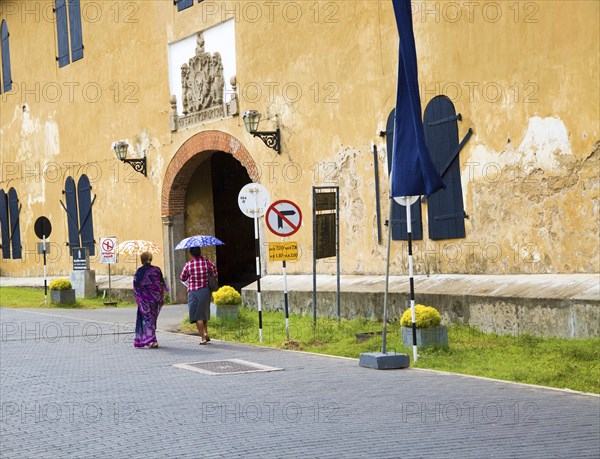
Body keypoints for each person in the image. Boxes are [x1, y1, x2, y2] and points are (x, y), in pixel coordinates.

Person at [180, 247, 217, 345]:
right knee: (203, 313)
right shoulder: (207, 262)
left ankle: (203, 338)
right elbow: (215, 273)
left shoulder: (188, 265)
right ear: (200, 252)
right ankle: (205, 332)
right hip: (205, 291)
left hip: (193, 292)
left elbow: (182, 277)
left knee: (197, 316)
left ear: (191, 254)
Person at [133, 251, 167, 349]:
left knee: (148, 320)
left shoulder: (139, 271)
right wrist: (161, 297)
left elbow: (136, 287)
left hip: (144, 300)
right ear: (151, 259)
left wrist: (138, 298)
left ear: (141, 260)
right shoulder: (157, 270)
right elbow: (161, 284)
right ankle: (152, 339)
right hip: (155, 299)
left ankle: (153, 340)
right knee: (152, 319)